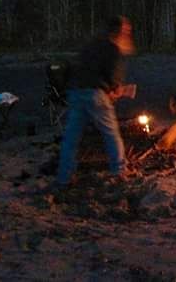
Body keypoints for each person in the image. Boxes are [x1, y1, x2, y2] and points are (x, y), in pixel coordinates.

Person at [55, 15, 135, 187]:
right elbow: (113, 80)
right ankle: (119, 171)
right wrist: (119, 91)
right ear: (119, 31)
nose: (128, 34)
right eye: (126, 30)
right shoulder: (113, 48)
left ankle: (63, 177)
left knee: (71, 138)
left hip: (75, 92)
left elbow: (75, 70)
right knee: (111, 134)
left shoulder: (90, 46)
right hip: (94, 95)